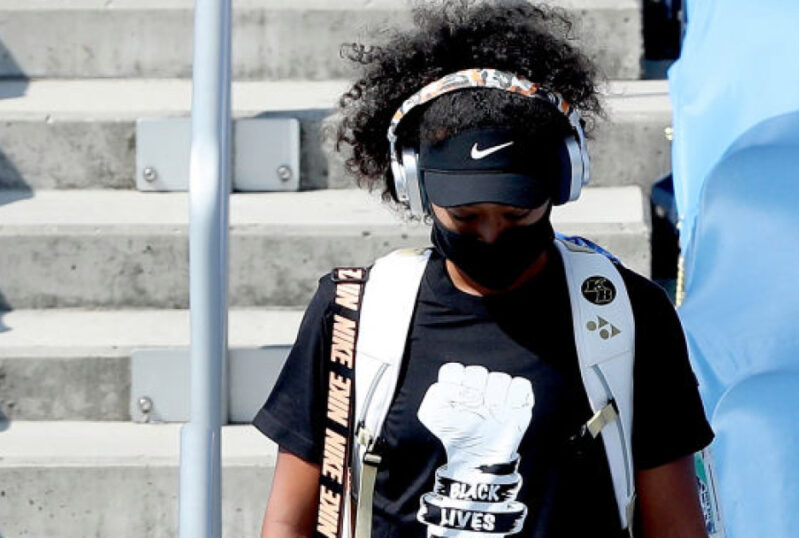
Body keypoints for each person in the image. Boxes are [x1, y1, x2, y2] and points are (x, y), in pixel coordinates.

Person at [254, 2, 714, 537]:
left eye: (517, 214)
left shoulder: (630, 316)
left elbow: (676, 527)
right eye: (466, 217)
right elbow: (287, 522)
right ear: (413, 184)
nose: (492, 234)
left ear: (563, 183)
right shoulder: (352, 316)